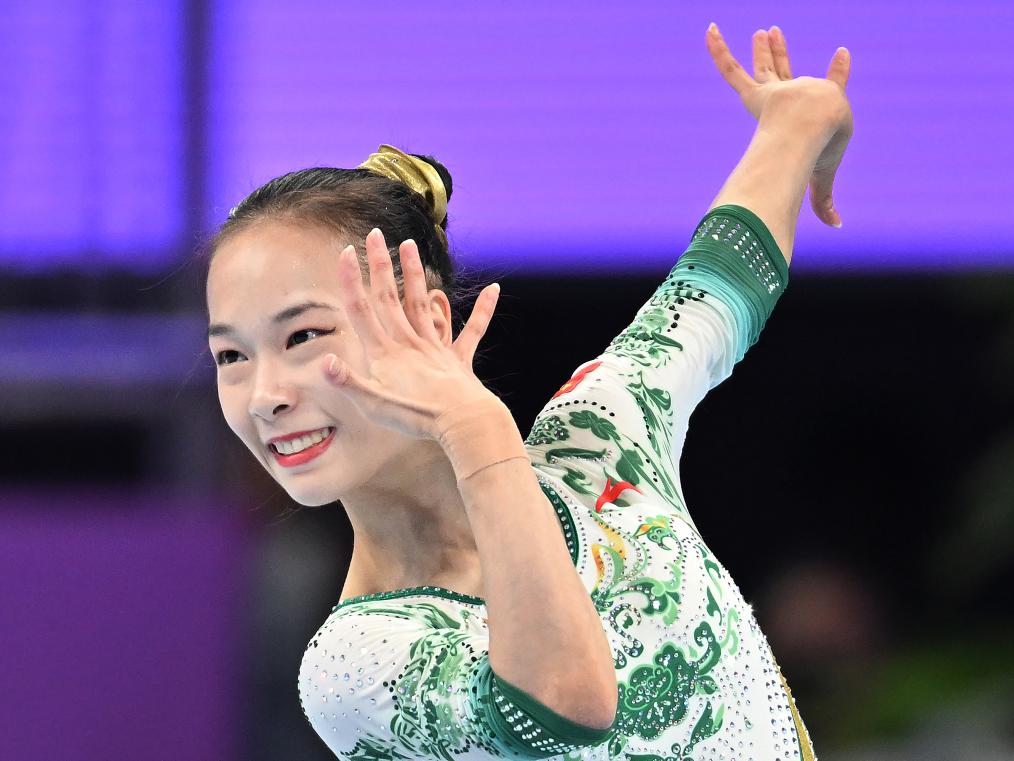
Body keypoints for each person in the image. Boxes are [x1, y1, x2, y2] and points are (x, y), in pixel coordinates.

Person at [205, 22, 853, 761]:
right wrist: (475, 430)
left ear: (428, 318)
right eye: (231, 354)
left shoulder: (600, 446)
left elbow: (717, 283)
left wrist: (799, 121)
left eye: (302, 336)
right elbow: (563, 705)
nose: (263, 394)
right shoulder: (355, 663)